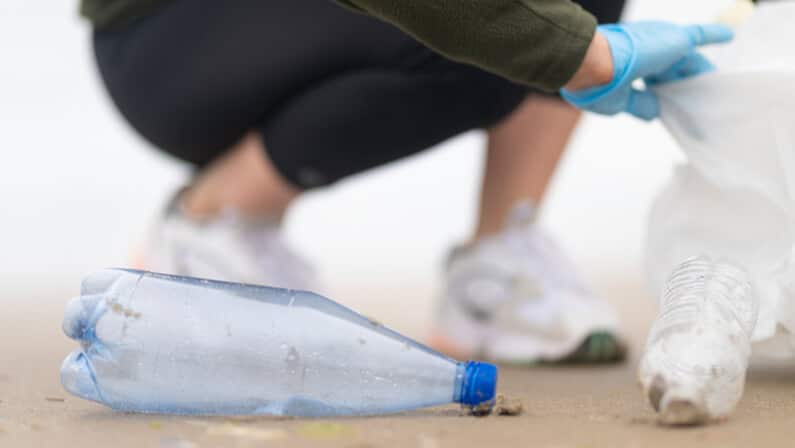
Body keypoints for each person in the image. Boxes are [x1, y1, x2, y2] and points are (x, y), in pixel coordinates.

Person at [81, 0, 732, 366]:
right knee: (497, 36)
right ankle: (212, 222)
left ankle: (497, 265)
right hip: (165, 37)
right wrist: (583, 54)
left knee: (546, 18)